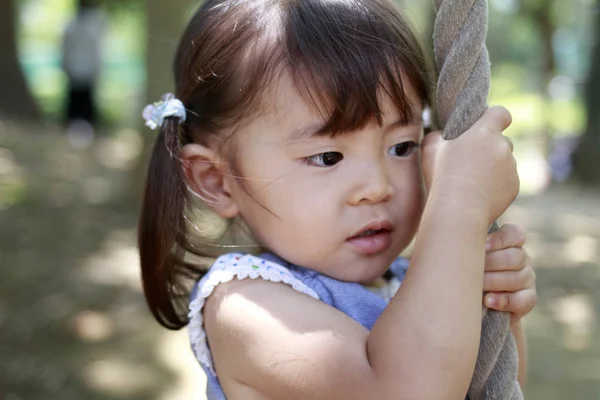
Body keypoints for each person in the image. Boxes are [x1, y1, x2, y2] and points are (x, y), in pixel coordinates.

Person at [138, 0, 536, 398]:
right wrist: (460, 201)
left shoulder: (409, 279)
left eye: (401, 147)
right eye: (328, 157)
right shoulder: (243, 307)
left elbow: (491, 390)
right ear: (217, 181)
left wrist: (497, 311)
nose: (377, 187)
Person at [61, 0, 105, 127]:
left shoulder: (74, 26)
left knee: (83, 101)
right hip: (79, 69)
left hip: (82, 69)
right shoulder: (76, 26)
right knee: (77, 101)